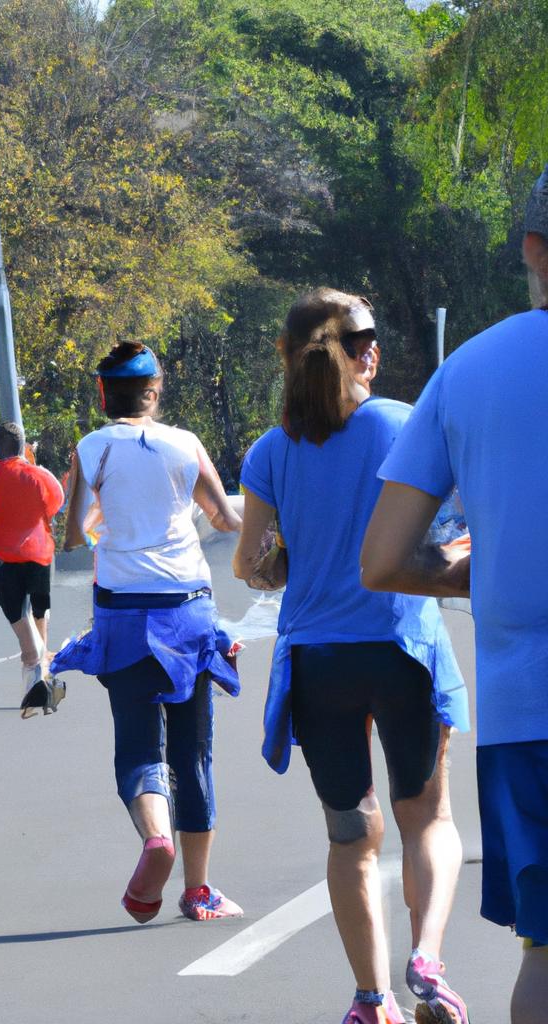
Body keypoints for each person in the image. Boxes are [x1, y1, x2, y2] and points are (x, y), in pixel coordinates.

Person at [233, 289, 470, 1024]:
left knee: (350, 834)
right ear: (367, 353)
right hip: (402, 647)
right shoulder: (403, 425)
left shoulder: (271, 451)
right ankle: (427, 960)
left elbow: (252, 564)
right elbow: (451, 530)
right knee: (426, 819)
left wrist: (285, 560)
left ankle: (372, 1001)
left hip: (318, 665)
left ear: (286, 355)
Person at [361, 164, 548, 1024]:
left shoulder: (469, 371)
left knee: (545, 953)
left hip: (527, 716)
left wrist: (491, 570)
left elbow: (385, 559)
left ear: (533, 249)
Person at [51, 341, 244, 924]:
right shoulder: (186, 445)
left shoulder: (90, 449)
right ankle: (199, 890)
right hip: (188, 612)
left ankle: (155, 836)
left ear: (103, 394)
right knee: (195, 751)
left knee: (138, 745)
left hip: (123, 616)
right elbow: (226, 519)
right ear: (155, 392)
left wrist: (108, 519)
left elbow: (73, 537)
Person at [0, 421, 66, 718]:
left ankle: (37, 679)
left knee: (21, 623)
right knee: (40, 617)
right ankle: (42, 681)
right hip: (41, 558)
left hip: (8, 561)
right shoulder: (42, 475)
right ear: (23, 445)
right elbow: (56, 505)